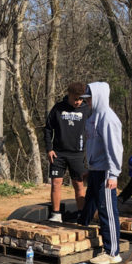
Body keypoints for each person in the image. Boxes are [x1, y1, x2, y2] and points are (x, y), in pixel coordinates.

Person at [77, 82, 123, 264]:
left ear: (99, 97)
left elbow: (114, 148)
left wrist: (113, 174)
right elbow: (93, 145)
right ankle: (81, 232)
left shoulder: (108, 118)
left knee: (107, 210)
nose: (87, 102)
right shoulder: (93, 116)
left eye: (90, 99)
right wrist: (90, 166)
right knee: (90, 204)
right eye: (86, 100)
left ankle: (112, 251)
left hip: (106, 171)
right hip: (96, 169)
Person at [44, 82, 90, 222]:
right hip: (58, 153)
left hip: (77, 154)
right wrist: (49, 149)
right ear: (69, 95)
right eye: (76, 99)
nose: (78, 102)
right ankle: (56, 214)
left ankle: (81, 215)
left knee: (79, 184)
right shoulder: (58, 108)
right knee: (56, 183)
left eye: (81, 99)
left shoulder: (87, 109)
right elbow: (47, 128)